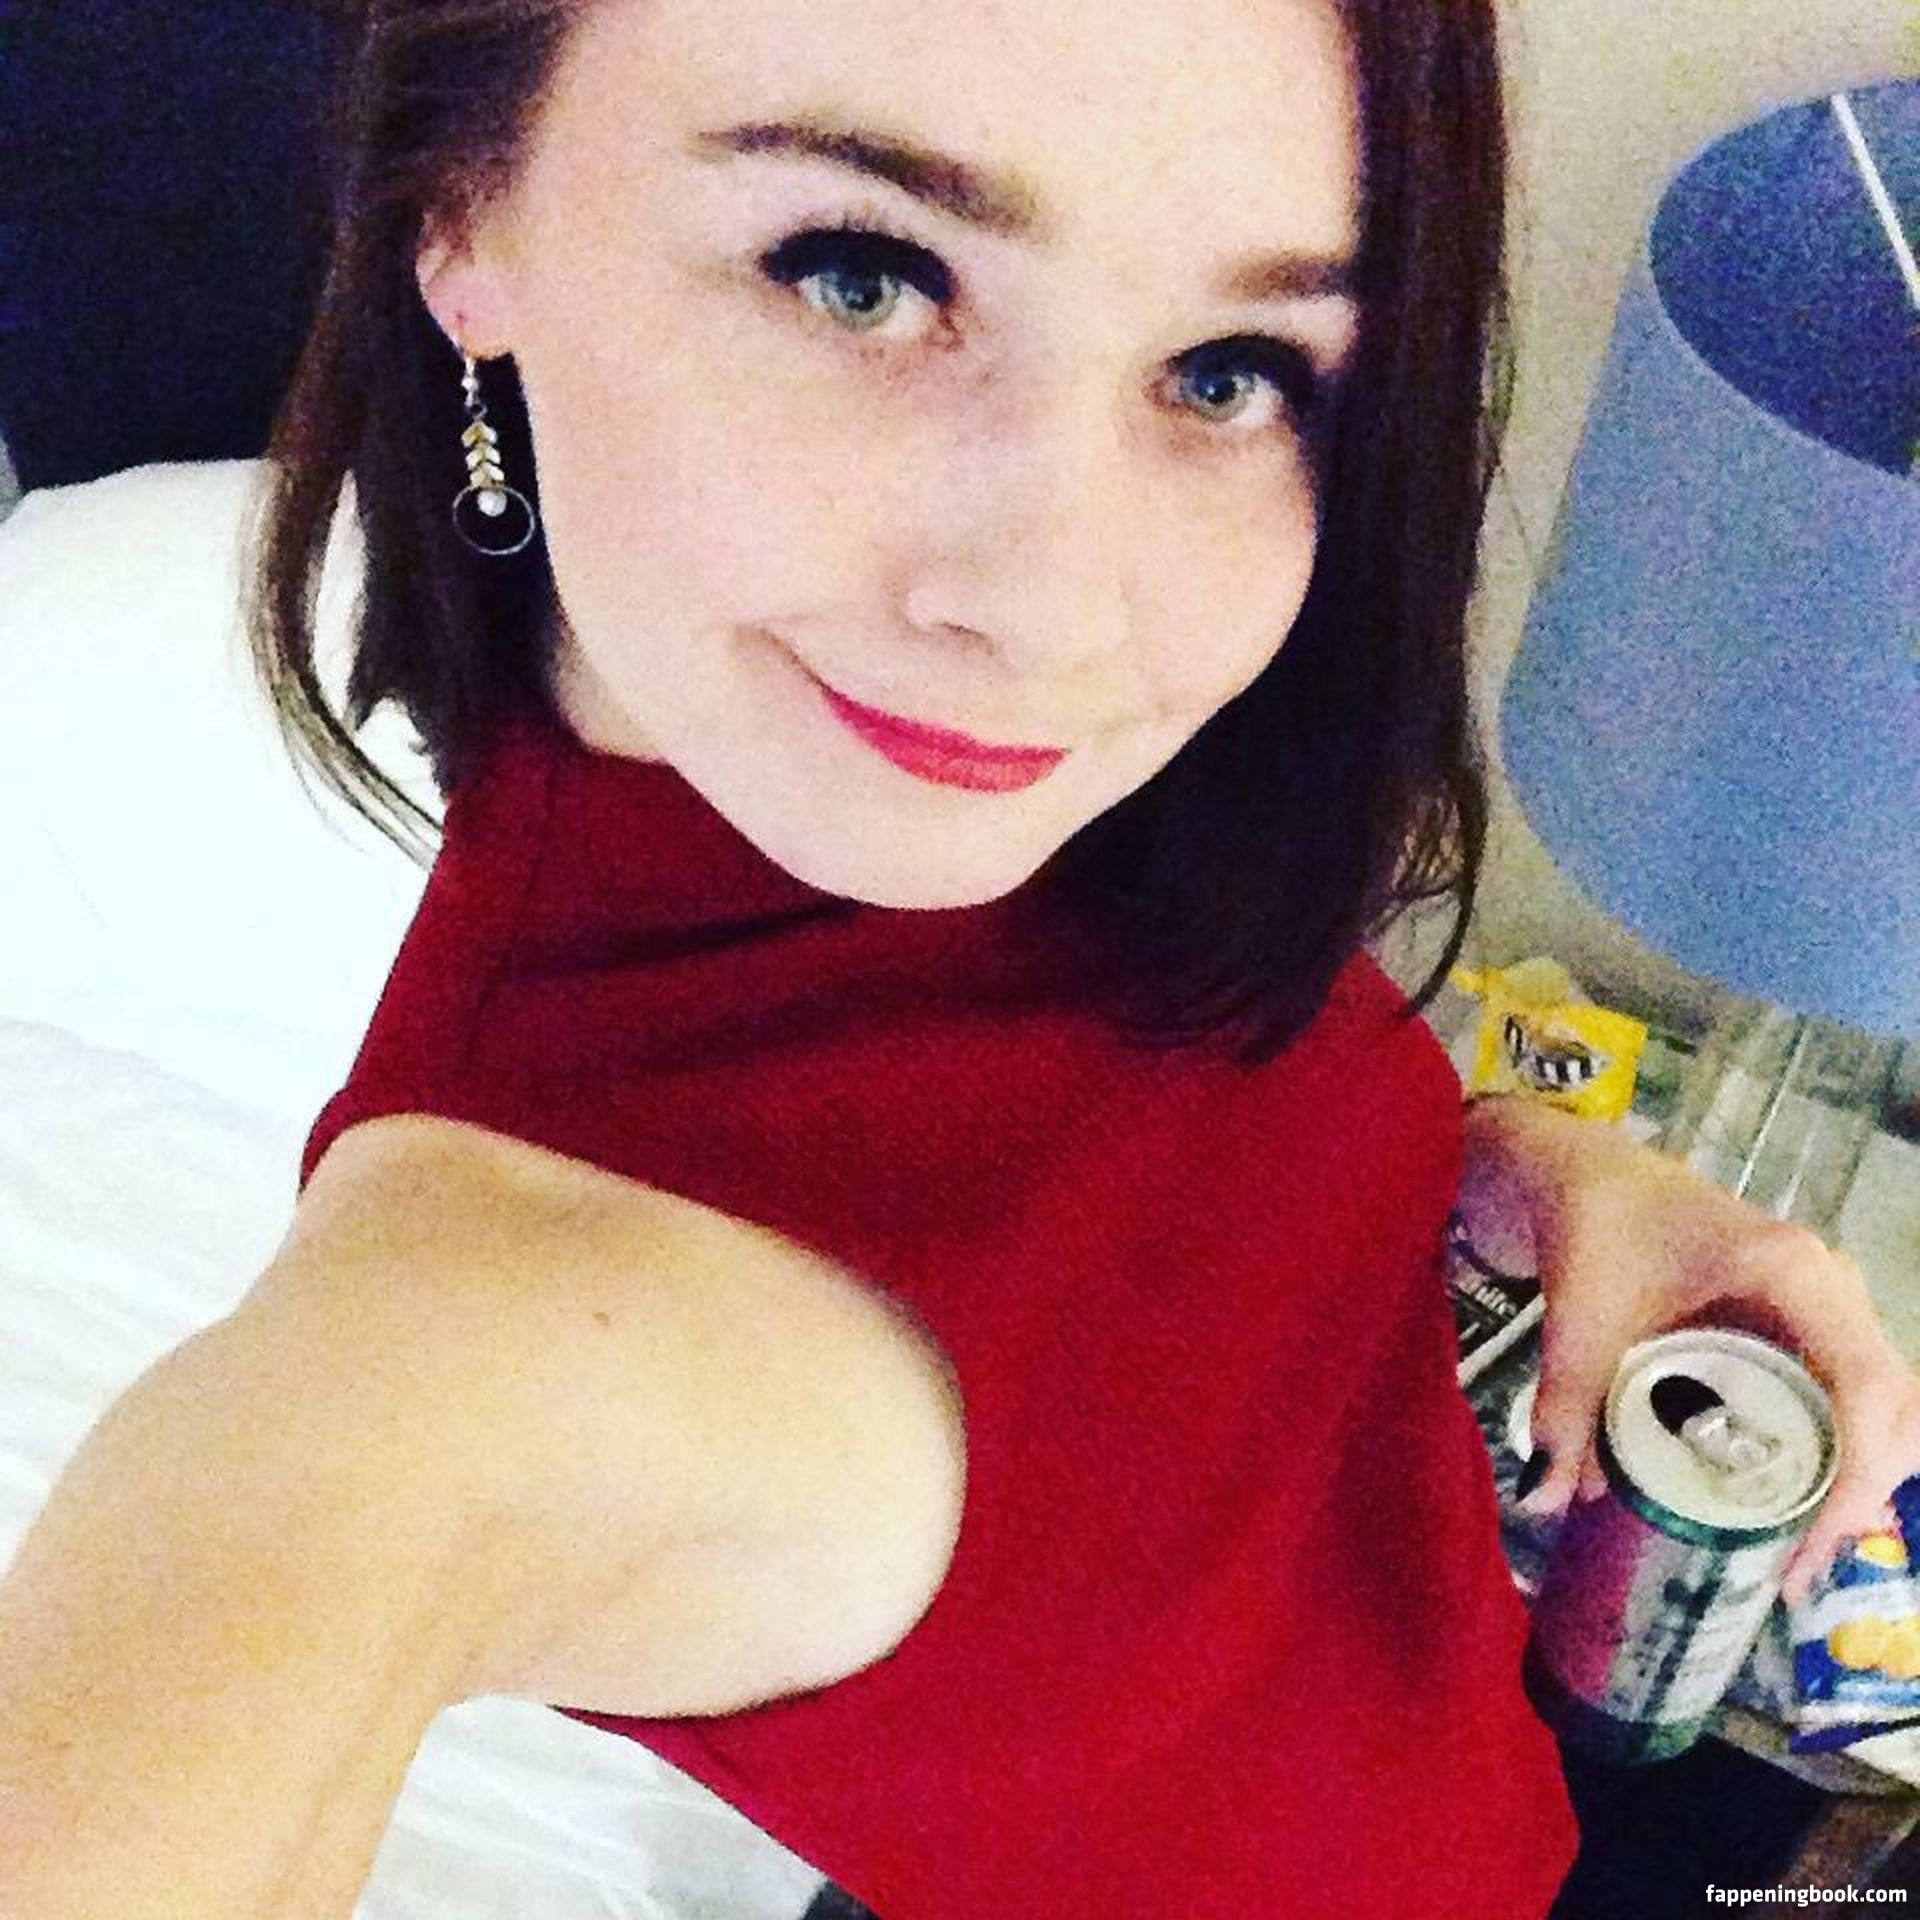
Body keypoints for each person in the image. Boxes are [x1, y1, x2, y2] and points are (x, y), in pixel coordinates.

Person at [1, 0, 1916, 1914]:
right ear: (460, 210)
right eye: (860, 273)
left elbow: (1158, 1209)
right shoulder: (469, 1335)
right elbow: (294, 1529)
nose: (1055, 610)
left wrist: (1523, 1171)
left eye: (1230, 370)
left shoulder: (999, 798)